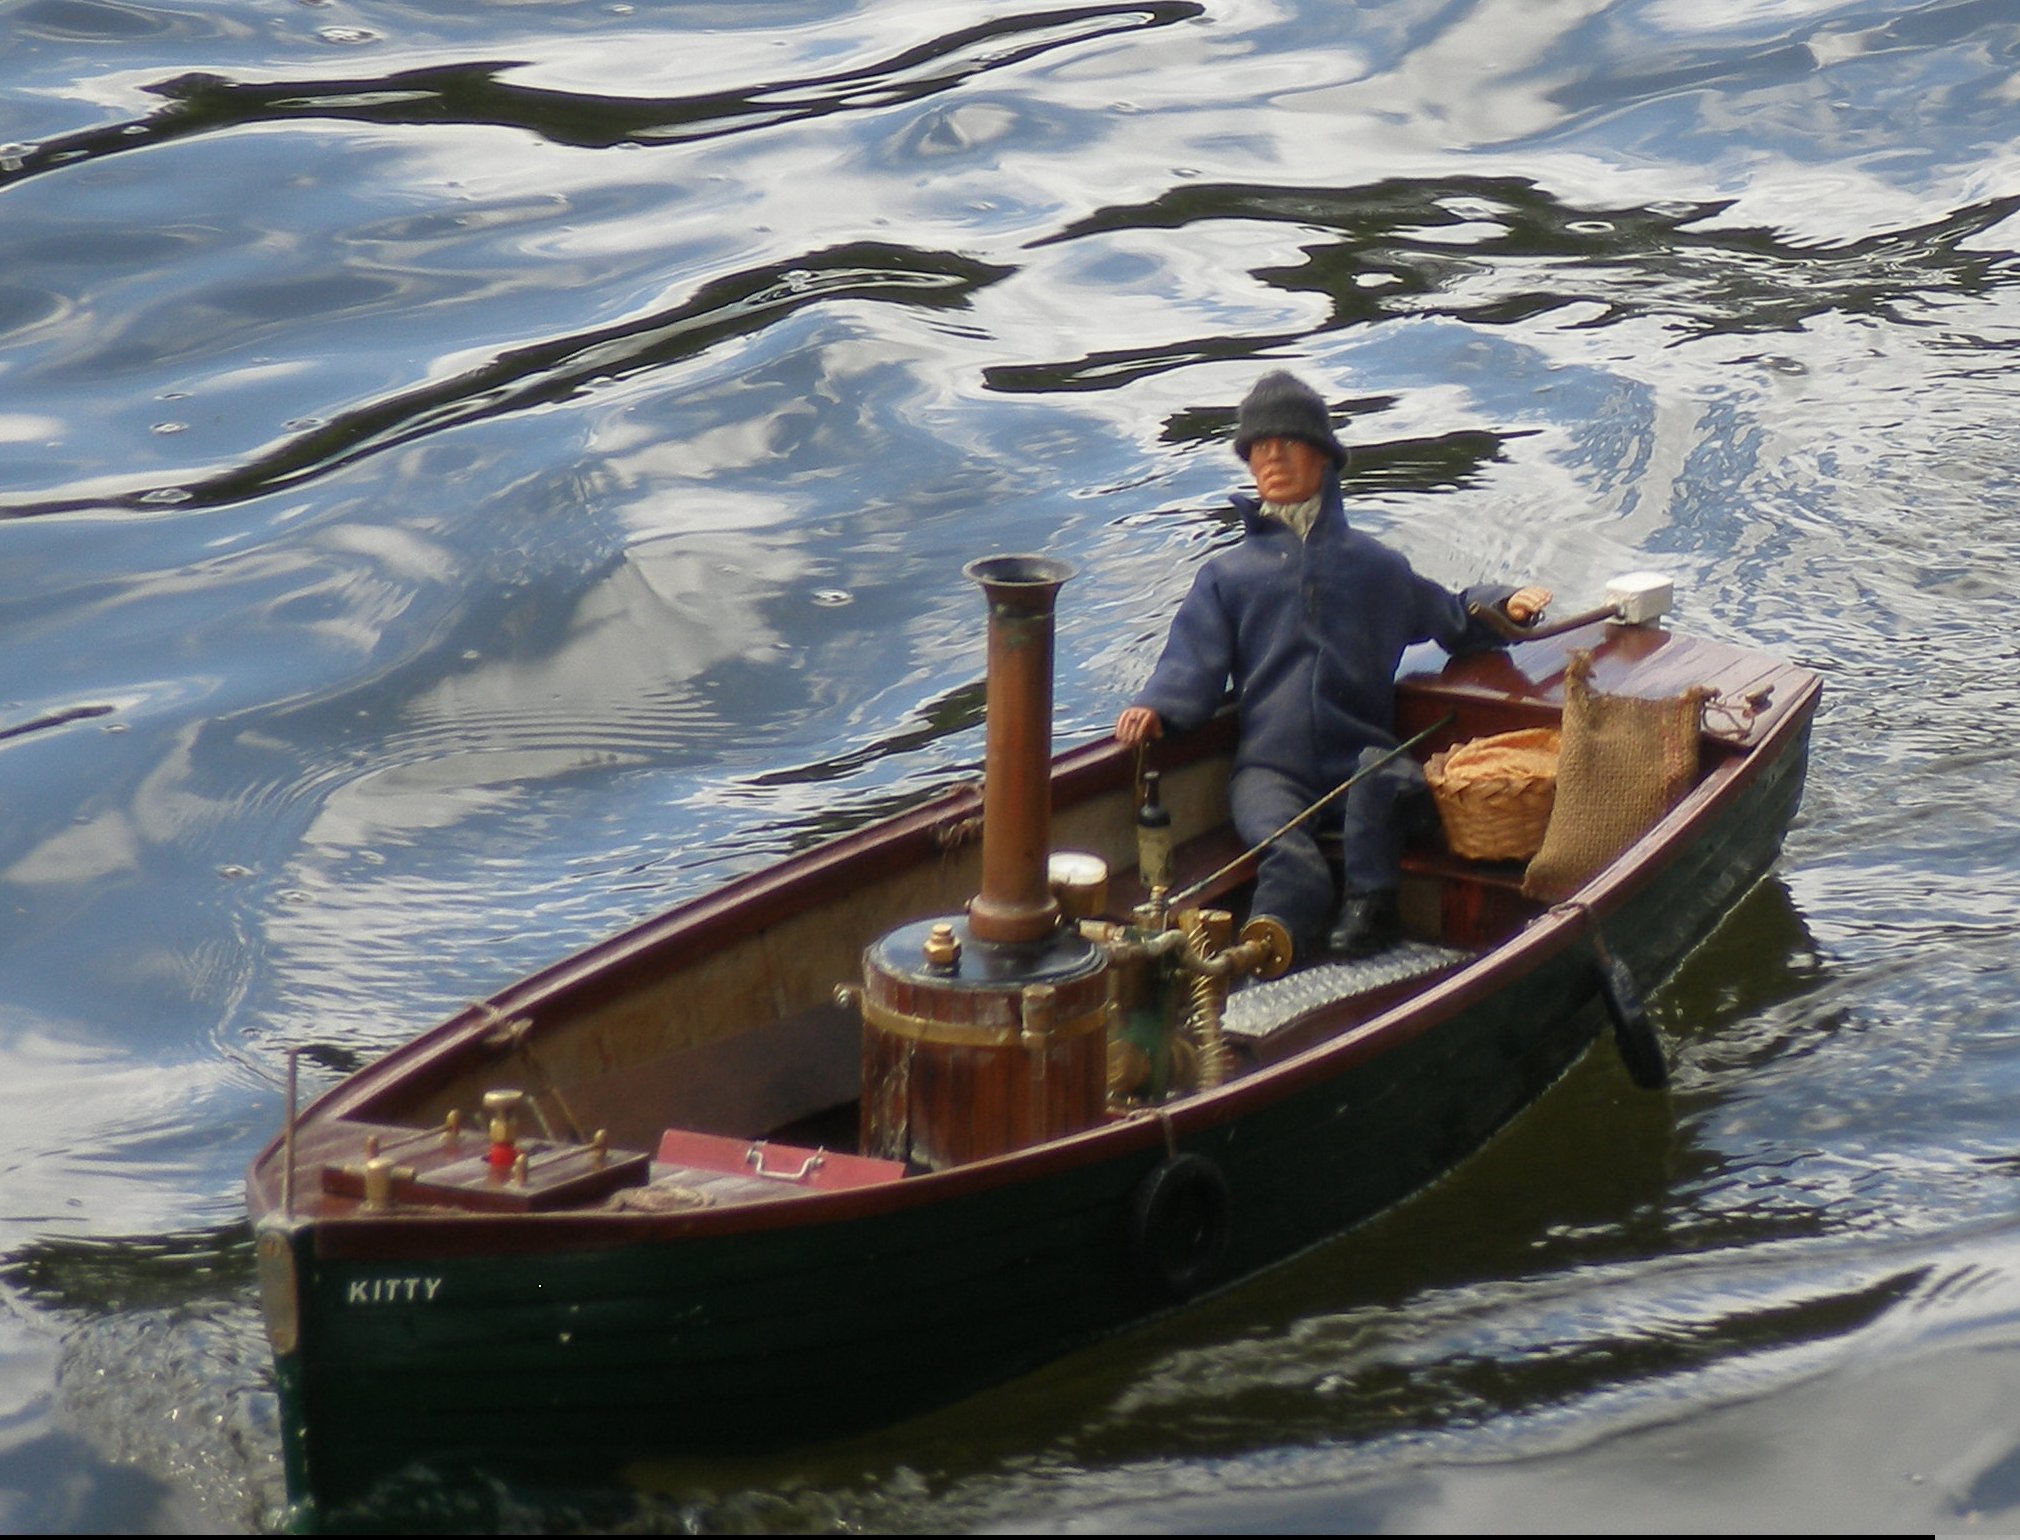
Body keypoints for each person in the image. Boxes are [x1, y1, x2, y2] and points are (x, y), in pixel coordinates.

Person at [1115, 370, 1550, 959]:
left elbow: (1451, 617)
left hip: (1360, 757)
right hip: (1270, 766)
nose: (1270, 457)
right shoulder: (1226, 576)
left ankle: (1372, 908)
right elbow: (1191, 660)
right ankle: (1272, 936)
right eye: (1257, 448)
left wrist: (1503, 604)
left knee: (1382, 782)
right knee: (1280, 844)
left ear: (1323, 458)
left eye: (1286, 443)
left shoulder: (1376, 566)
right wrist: (1156, 705)